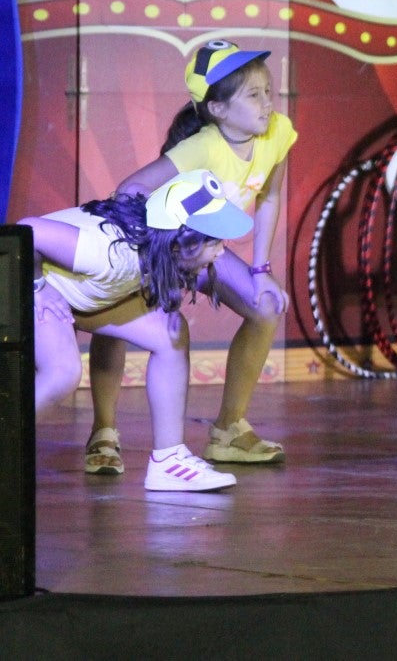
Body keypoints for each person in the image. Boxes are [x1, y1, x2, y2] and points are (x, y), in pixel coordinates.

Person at [84, 40, 296, 474]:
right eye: (253, 95)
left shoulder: (277, 134)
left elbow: (270, 197)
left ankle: (229, 430)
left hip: (206, 253)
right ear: (217, 109)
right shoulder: (202, 147)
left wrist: (261, 268)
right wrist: (173, 241)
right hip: (163, 249)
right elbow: (130, 190)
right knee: (117, 316)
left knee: (265, 305)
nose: (267, 103)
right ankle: (104, 430)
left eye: (268, 91)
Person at [22, 170, 252, 492]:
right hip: (27, 288)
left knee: (170, 330)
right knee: (63, 372)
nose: (221, 253)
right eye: (214, 242)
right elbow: (25, 231)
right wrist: (37, 286)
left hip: (83, 296)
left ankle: (169, 462)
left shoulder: (154, 249)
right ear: (183, 241)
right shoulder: (109, 250)